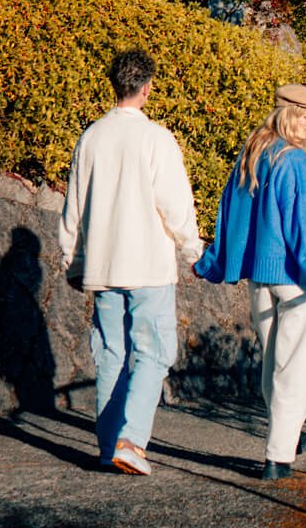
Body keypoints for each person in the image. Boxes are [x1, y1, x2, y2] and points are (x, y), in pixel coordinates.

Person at [194, 83, 306, 480]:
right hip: (296, 281)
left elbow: (228, 215)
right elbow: (304, 228)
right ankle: (279, 456)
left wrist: (213, 264)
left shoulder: (251, 154)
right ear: (287, 114)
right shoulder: (293, 160)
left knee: (273, 366)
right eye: (304, 117)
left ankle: (286, 437)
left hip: (259, 279)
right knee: (295, 370)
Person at [60, 48, 202, 476]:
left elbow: (74, 207)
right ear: (147, 87)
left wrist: (73, 258)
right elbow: (175, 206)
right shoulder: (157, 139)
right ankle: (131, 441)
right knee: (154, 353)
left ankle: (108, 448)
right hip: (148, 266)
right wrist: (192, 248)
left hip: (103, 265)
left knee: (110, 356)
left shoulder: (92, 137)